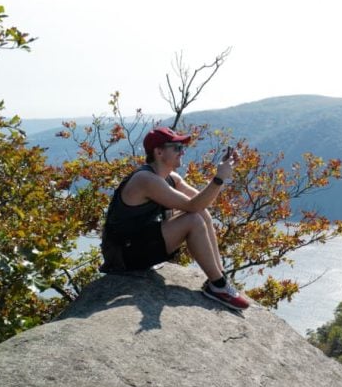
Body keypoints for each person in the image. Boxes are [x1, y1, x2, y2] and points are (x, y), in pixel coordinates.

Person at [100, 126, 251, 310]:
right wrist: (218, 179)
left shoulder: (171, 177)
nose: (182, 152)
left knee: (201, 215)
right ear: (159, 152)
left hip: (137, 245)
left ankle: (220, 278)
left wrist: (224, 171)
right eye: (177, 148)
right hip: (123, 257)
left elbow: (201, 204)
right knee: (193, 220)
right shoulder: (145, 179)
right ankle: (218, 287)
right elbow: (192, 206)